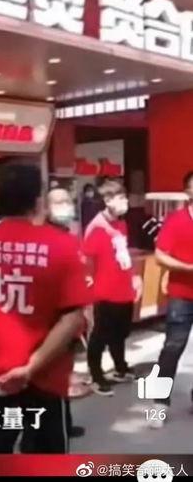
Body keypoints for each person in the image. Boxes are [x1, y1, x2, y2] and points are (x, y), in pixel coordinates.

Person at [0, 163, 90, 454]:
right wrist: (31, 368)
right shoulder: (63, 247)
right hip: (46, 376)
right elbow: (73, 316)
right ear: (38, 201)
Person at [83, 180, 142, 397]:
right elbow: (87, 261)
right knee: (100, 335)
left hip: (123, 291)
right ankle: (96, 375)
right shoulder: (97, 227)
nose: (125, 202)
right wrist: (89, 288)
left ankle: (120, 367)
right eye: (120, 198)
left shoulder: (121, 224)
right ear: (107, 201)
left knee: (120, 332)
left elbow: (123, 255)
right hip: (105, 293)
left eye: (125, 197)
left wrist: (134, 278)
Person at [150, 171, 193, 428]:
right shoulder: (176, 221)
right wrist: (187, 268)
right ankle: (158, 405)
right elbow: (160, 256)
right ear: (187, 191)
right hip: (181, 295)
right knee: (172, 348)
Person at [46, 188, 87, 440]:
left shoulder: (71, 236)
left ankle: (64, 422)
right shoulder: (45, 239)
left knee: (64, 375)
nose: (65, 206)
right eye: (58, 202)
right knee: (51, 379)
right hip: (54, 321)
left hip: (72, 317)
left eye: (67, 201)